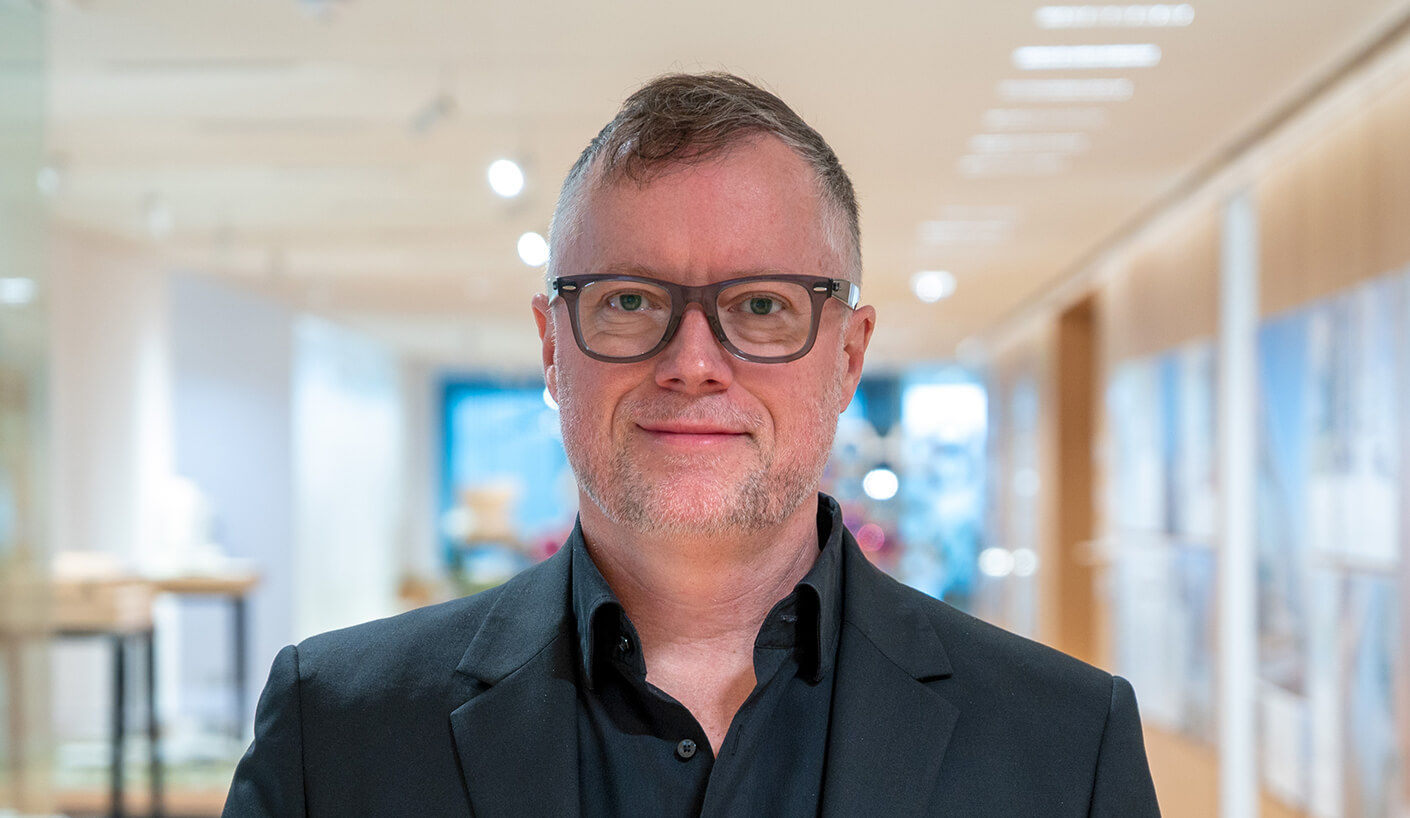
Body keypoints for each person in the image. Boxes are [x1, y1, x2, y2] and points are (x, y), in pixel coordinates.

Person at [223, 72, 1161, 817]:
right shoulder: (338, 728)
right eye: (630, 301)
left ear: (848, 356)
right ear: (554, 347)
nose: (693, 362)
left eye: (761, 306)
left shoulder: (1065, 745)